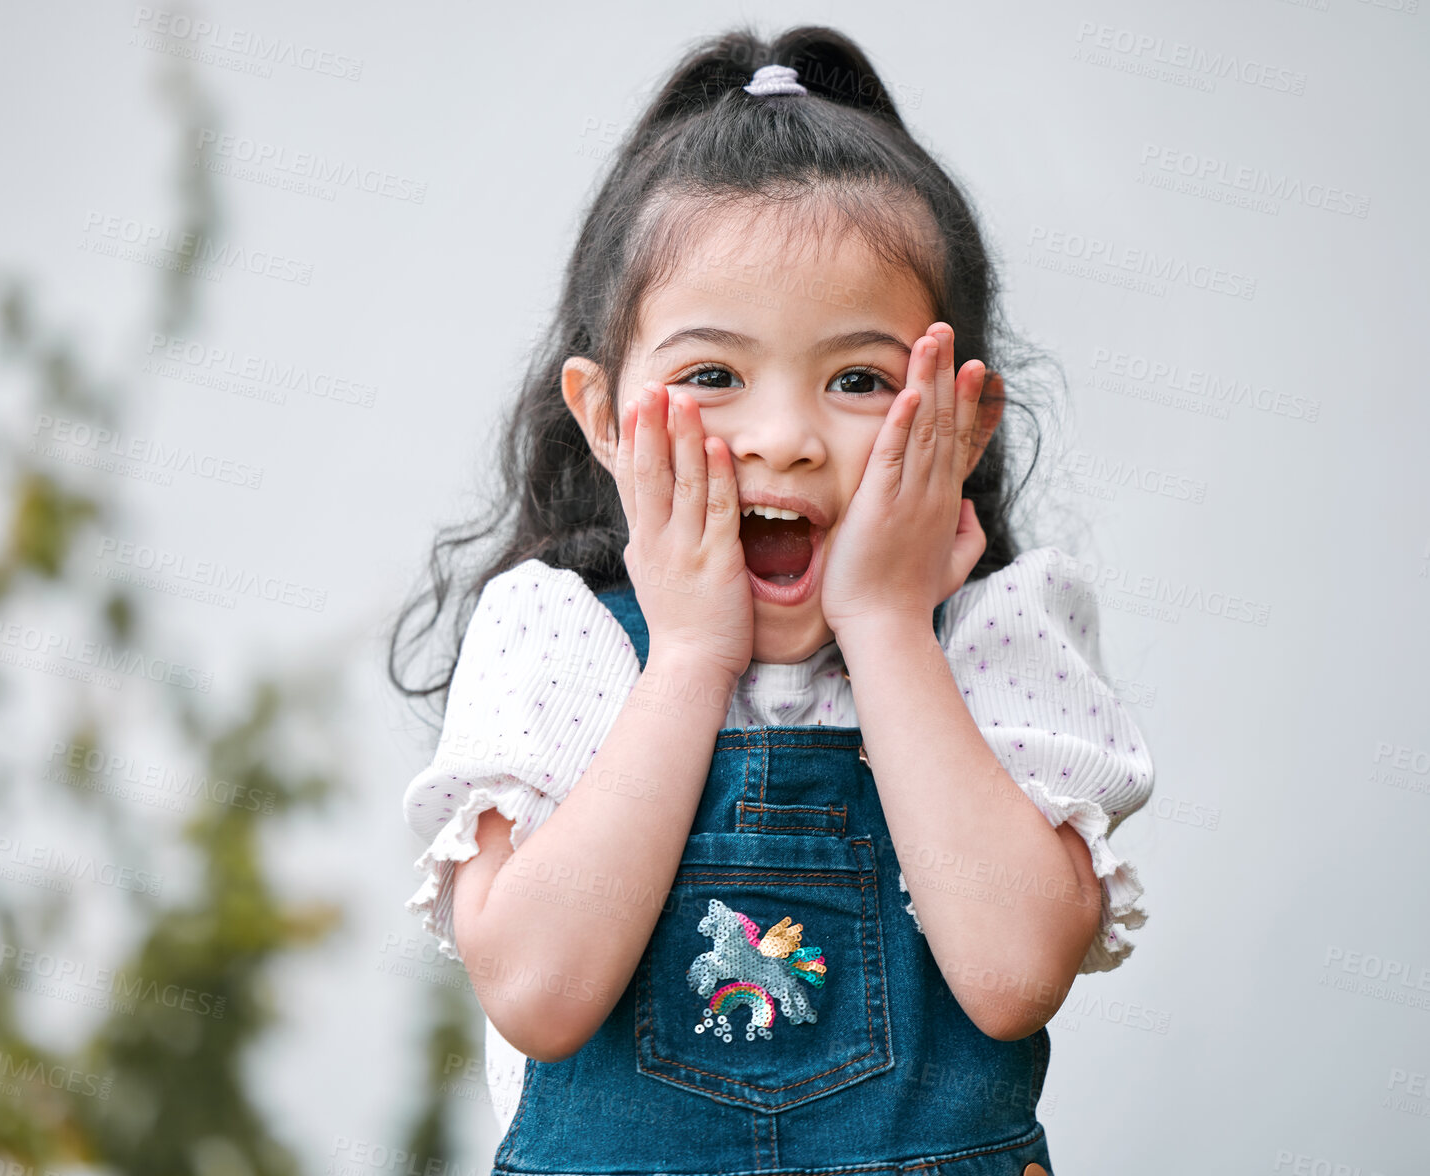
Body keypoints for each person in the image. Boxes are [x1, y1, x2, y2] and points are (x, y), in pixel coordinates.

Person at [390, 24, 1154, 1176]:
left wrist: (890, 630)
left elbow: (1010, 978)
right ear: (602, 417)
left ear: (960, 421)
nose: (786, 441)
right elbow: (539, 996)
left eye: (859, 380)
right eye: (712, 377)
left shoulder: (999, 632)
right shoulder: (557, 633)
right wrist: (691, 655)